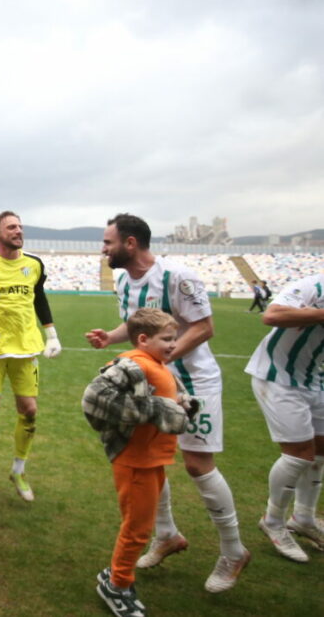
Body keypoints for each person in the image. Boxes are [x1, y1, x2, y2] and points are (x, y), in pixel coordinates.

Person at [85, 213, 249, 593]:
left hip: (193, 382)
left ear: (130, 243)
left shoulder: (178, 276)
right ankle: (167, 535)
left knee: (197, 464)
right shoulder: (124, 280)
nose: (103, 248)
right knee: (149, 459)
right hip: (152, 384)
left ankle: (234, 550)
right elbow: (138, 325)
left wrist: (161, 360)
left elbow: (204, 327)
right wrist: (110, 338)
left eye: (108, 242)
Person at [83, 308, 197, 617]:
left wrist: (185, 405)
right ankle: (117, 585)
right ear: (143, 339)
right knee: (137, 529)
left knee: (140, 525)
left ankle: (116, 575)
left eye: (174, 338)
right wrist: (157, 410)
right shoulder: (133, 365)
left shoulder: (158, 363)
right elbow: (94, 397)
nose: (173, 344)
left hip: (153, 458)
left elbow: (170, 394)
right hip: (135, 460)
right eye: (167, 339)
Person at [0, 211, 61, 503]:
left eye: (19, 226)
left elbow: (39, 297)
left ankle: (18, 470)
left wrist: (52, 334)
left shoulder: (34, 264)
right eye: (11, 227)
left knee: (30, 410)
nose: (18, 231)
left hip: (26, 347)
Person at [244, 273, 324, 561]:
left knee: (320, 451)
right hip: (278, 376)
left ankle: (303, 517)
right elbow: (272, 314)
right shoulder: (316, 285)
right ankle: (273, 521)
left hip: (315, 378)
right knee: (300, 454)